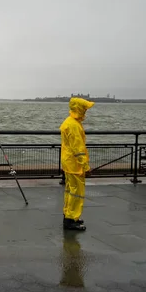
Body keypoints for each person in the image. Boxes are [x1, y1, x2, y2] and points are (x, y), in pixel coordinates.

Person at [60, 97, 94, 231]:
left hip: (69, 162)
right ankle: (70, 220)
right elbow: (78, 149)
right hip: (74, 165)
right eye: (84, 108)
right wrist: (86, 166)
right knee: (76, 192)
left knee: (70, 191)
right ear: (79, 109)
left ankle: (70, 216)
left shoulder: (70, 122)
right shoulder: (73, 125)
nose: (86, 111)